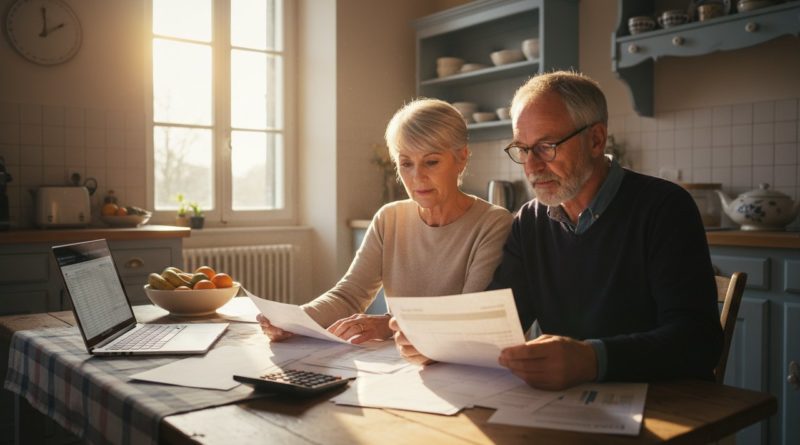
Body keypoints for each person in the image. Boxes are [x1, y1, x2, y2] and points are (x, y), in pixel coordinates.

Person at [391, 71, 723, 390]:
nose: (532, 166)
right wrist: (438, 344)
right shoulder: (529, 222)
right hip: (571, 406)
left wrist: (593, 360)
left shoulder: (664, 208)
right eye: (523, 149)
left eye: (547, 146)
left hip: (667, 406)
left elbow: (698, 340)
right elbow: (496, 326)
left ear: (595, 140)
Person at [259, 98, 513, 344]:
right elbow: (348, 295)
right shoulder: (389, 218)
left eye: (431, 162)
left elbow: (468, 317)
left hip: (461, 367)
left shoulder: (492, 223)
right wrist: (295, 321)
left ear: (462, 158)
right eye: (406, 163)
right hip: (399, 363)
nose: (417, 176)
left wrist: (388, 325)